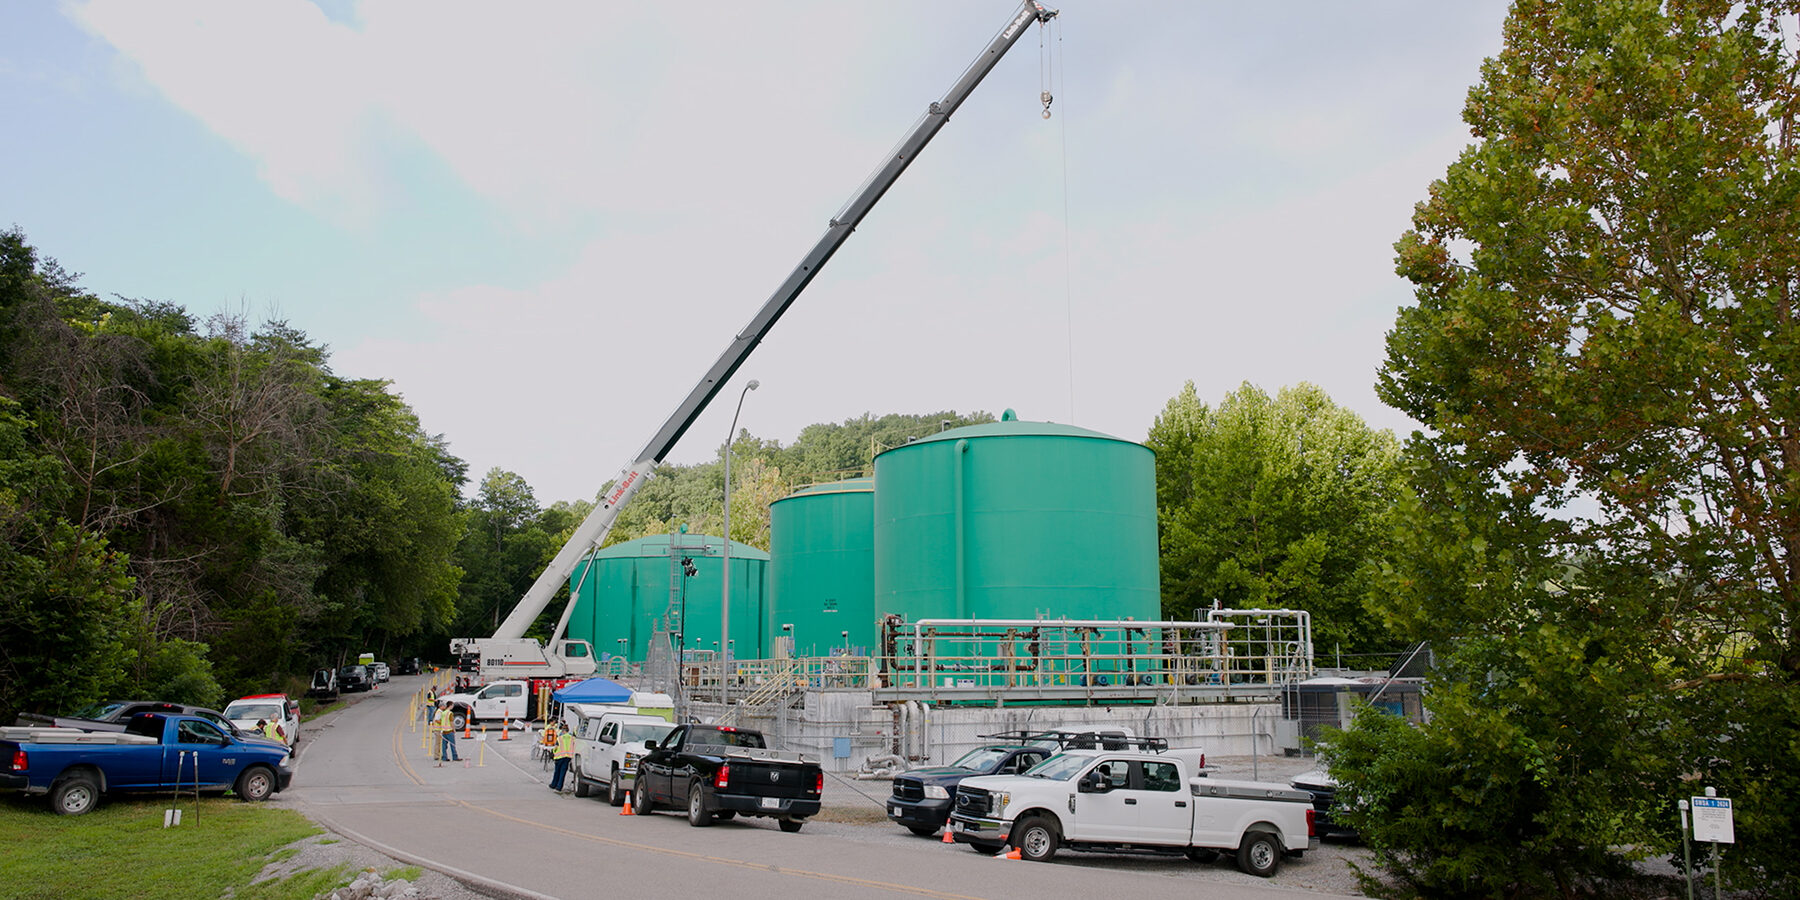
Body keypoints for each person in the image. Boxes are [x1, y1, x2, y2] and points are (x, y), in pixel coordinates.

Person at [548, 722, 575, 792]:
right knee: (563, 772)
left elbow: (556, 747)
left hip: (559, 757)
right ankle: (559, 786)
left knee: (557, 771)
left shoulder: (559, 738)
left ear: (563, 731)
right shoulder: (572, 738)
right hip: (568, 757)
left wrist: (553, 752)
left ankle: (553, 784)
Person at [435, 700, 460, 765]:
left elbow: (441, 721)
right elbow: (451, 722)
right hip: (449, 731)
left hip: (443, 731)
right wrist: (454, 729)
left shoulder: (443, 712)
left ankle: (444, 757)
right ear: (450, 705)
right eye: (452, 705)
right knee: (452, 744)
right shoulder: (450, 713)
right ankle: (455, 756)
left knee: (444, 745)